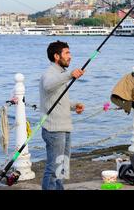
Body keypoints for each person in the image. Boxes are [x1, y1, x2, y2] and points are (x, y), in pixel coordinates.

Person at [40, 41, 85, 190]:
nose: (70, 57)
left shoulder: (60, 74)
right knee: (53, 169)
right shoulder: (50, 73)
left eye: (69, 53)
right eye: (66, 53)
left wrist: (74, 105)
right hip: (54, 130)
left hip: (64, 127)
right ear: (56, 56)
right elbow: (48, 85)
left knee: (62, 168)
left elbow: (58, 99)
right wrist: (69, 75)